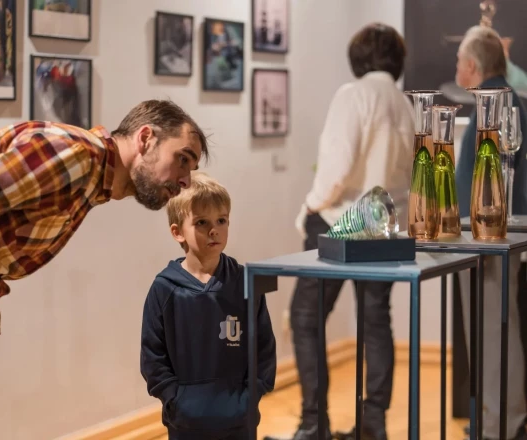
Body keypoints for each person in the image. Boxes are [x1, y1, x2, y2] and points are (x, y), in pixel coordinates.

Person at [0, 100, 208, 440]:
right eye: (182, 159)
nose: (185, 181)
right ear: (145, 138)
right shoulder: (73, 157)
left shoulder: (89, 175)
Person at [265, 23, 414, 440]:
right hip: (386, 220)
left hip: (344, 218)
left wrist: (310, 205)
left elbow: (335, 169)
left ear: (359, 58)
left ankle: (314, 424)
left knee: (306, 317)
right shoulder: (406, 104)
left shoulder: (354, 95)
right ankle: (373, 425)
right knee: (375, 321)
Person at [140, 172, 277, 440]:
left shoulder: (246, 283)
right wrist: (175, 401)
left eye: (221, 220)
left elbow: (264, 347)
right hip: (186, 423)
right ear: (177, 232)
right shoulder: (164, 289)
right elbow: (152, 356)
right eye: (202, 222)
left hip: (239, 419)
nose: (214, 230)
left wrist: (250, 398)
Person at [454, 25, 527, 440]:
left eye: (458, 62)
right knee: (496, 327)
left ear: (471, 66)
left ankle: (500, 425)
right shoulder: (504, 99)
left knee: (493, 330)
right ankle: (498, 421)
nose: (456, 68)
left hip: (488, 238)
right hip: (492, 237)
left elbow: (488, 180)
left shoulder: (493, 102)